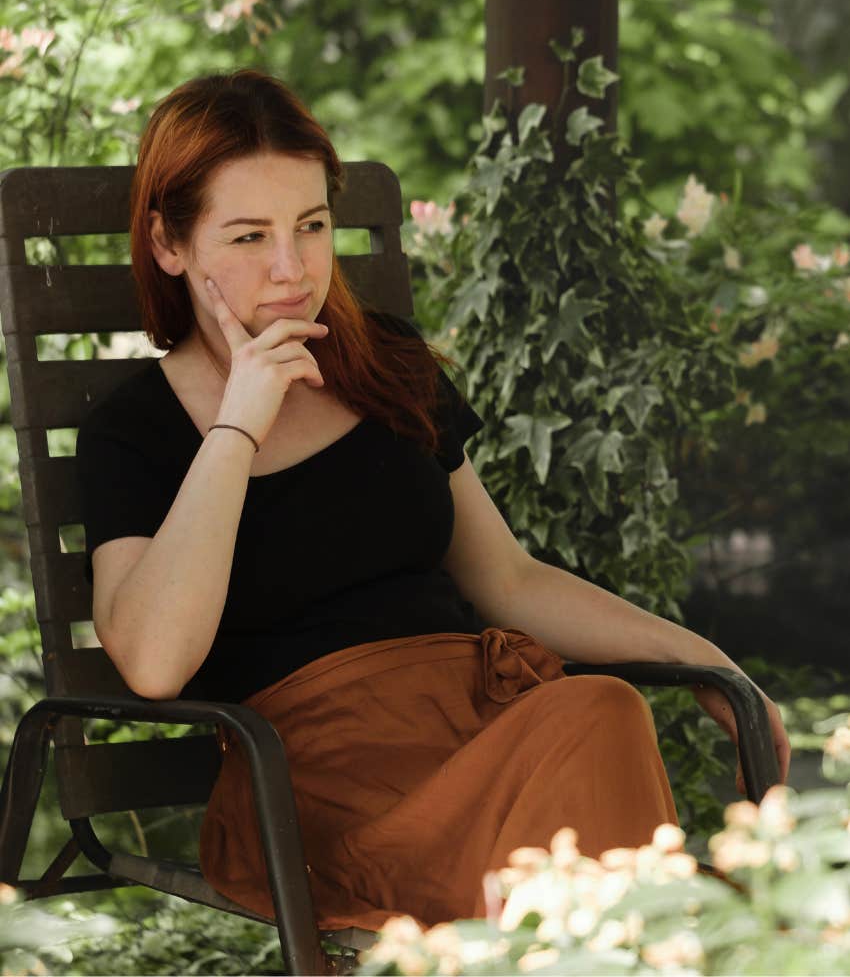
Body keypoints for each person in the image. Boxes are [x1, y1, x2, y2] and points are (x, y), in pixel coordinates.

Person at [76, 70, 790, 935]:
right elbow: (153, 662)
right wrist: (237, 427)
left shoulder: (386, 366)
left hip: (482, 734)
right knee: (598, 736)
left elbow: (509, 579)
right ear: (168, 243)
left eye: (311, 226)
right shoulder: (136, 431)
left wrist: (709, 661)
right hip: (321, 796)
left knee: (597, 714)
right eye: (248, 235)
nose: (290, 269)